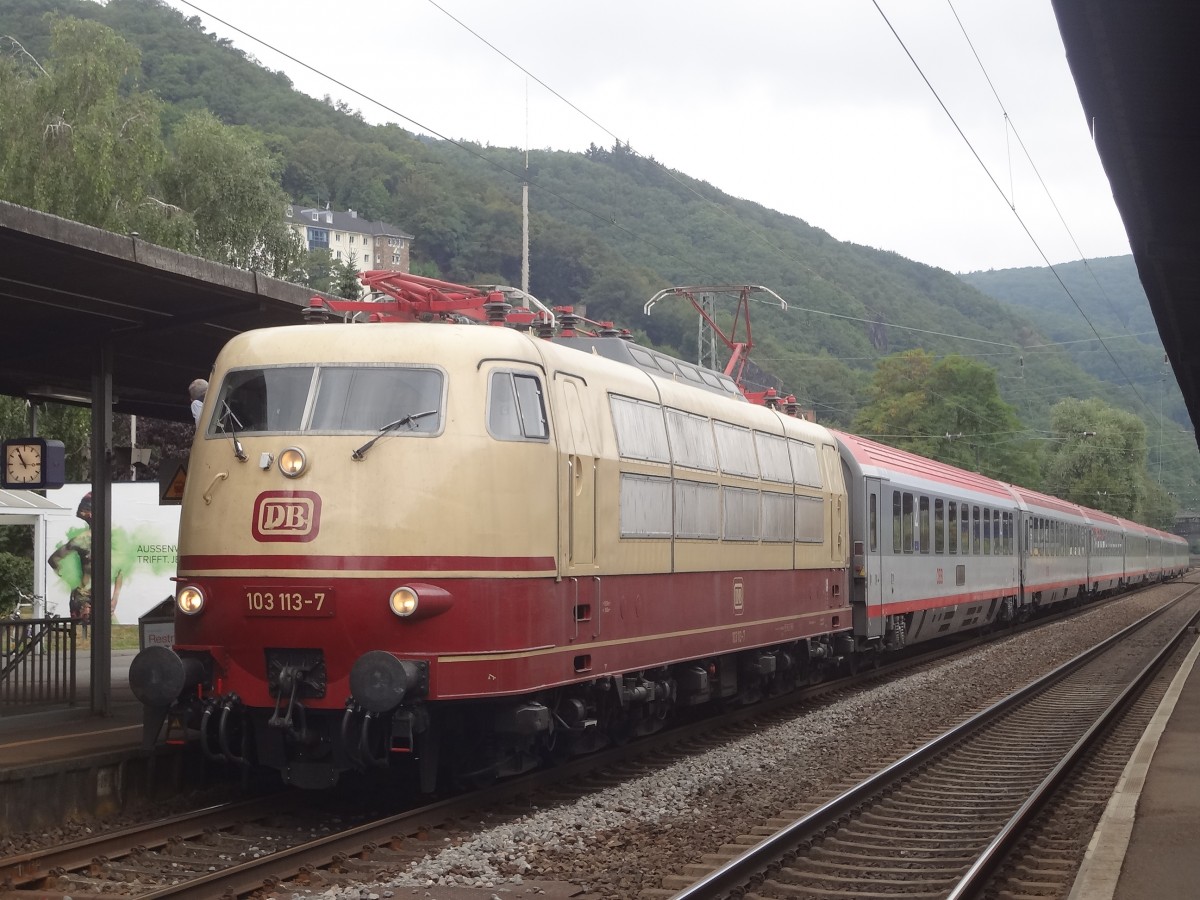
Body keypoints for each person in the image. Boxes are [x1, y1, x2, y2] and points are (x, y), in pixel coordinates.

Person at [47, 492, 124, 638]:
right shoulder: (81, 540)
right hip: (83, 595)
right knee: (84, 635)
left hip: (101, 594)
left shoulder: (109, 538)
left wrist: (115, 598)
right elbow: (53, 560)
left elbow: (119, 570)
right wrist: (71, 581)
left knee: (103, 633)